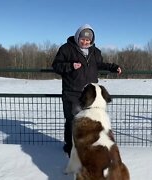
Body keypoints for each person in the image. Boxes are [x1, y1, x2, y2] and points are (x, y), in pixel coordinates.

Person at [52, 24, 122, 156]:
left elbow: (100, 64)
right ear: (77, 37)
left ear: (92, 40)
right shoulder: (66, 49)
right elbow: (56, 66)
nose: (85, 42)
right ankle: (70, 147)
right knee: (72, 120)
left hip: (90, 95)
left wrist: (113, 67)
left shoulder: (95, 52)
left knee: (89, 122)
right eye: (82, 39)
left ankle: (86, 146)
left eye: (88, 40)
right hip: (72, 92)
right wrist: (71, 66)